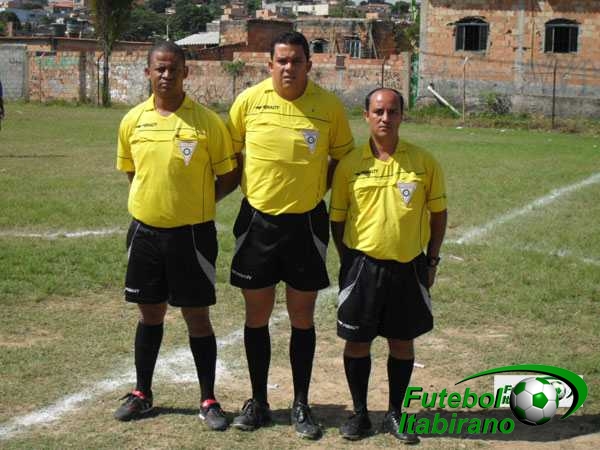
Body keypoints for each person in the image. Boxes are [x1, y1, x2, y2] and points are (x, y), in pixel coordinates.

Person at [227, 31, 354, 439]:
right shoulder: (248, 102)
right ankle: (258, 401)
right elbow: (232, 155)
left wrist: (315, 186)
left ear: (308, 65)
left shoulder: (328, 107)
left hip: (306, 224)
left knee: (302, 316)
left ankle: (301, 403)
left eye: (296, 61)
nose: (288, 67)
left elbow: (342, 159)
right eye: (281, 60)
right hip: (257, 222)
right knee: (256, 316)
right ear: (269, 65)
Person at [114, 41, 239, 430]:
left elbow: (230, 175)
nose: (166, 75)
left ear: (186, 72)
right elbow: (133, 172)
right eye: (160, 69)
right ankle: (142, 393)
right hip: (145, 233)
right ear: (148, 73)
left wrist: (197, 202)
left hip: (192, 236)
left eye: (173, 69)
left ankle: (208, 399)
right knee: (150, 313)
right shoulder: (132, 120)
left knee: (197, 316)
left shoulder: (207, 122)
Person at [330, 88, 447, 442]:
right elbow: (337, 219)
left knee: (402, 342)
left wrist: (431, 259)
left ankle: (395, 414)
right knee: (357, 342)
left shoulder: (424, 162)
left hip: (408, 267)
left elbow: (438, 214)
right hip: (362, 266)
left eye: (392, 111)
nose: (385, 118)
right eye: (378, 111)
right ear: (366, 116)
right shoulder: (350, 164)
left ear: (402, 116)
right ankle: (360, 414)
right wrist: (349, 261)